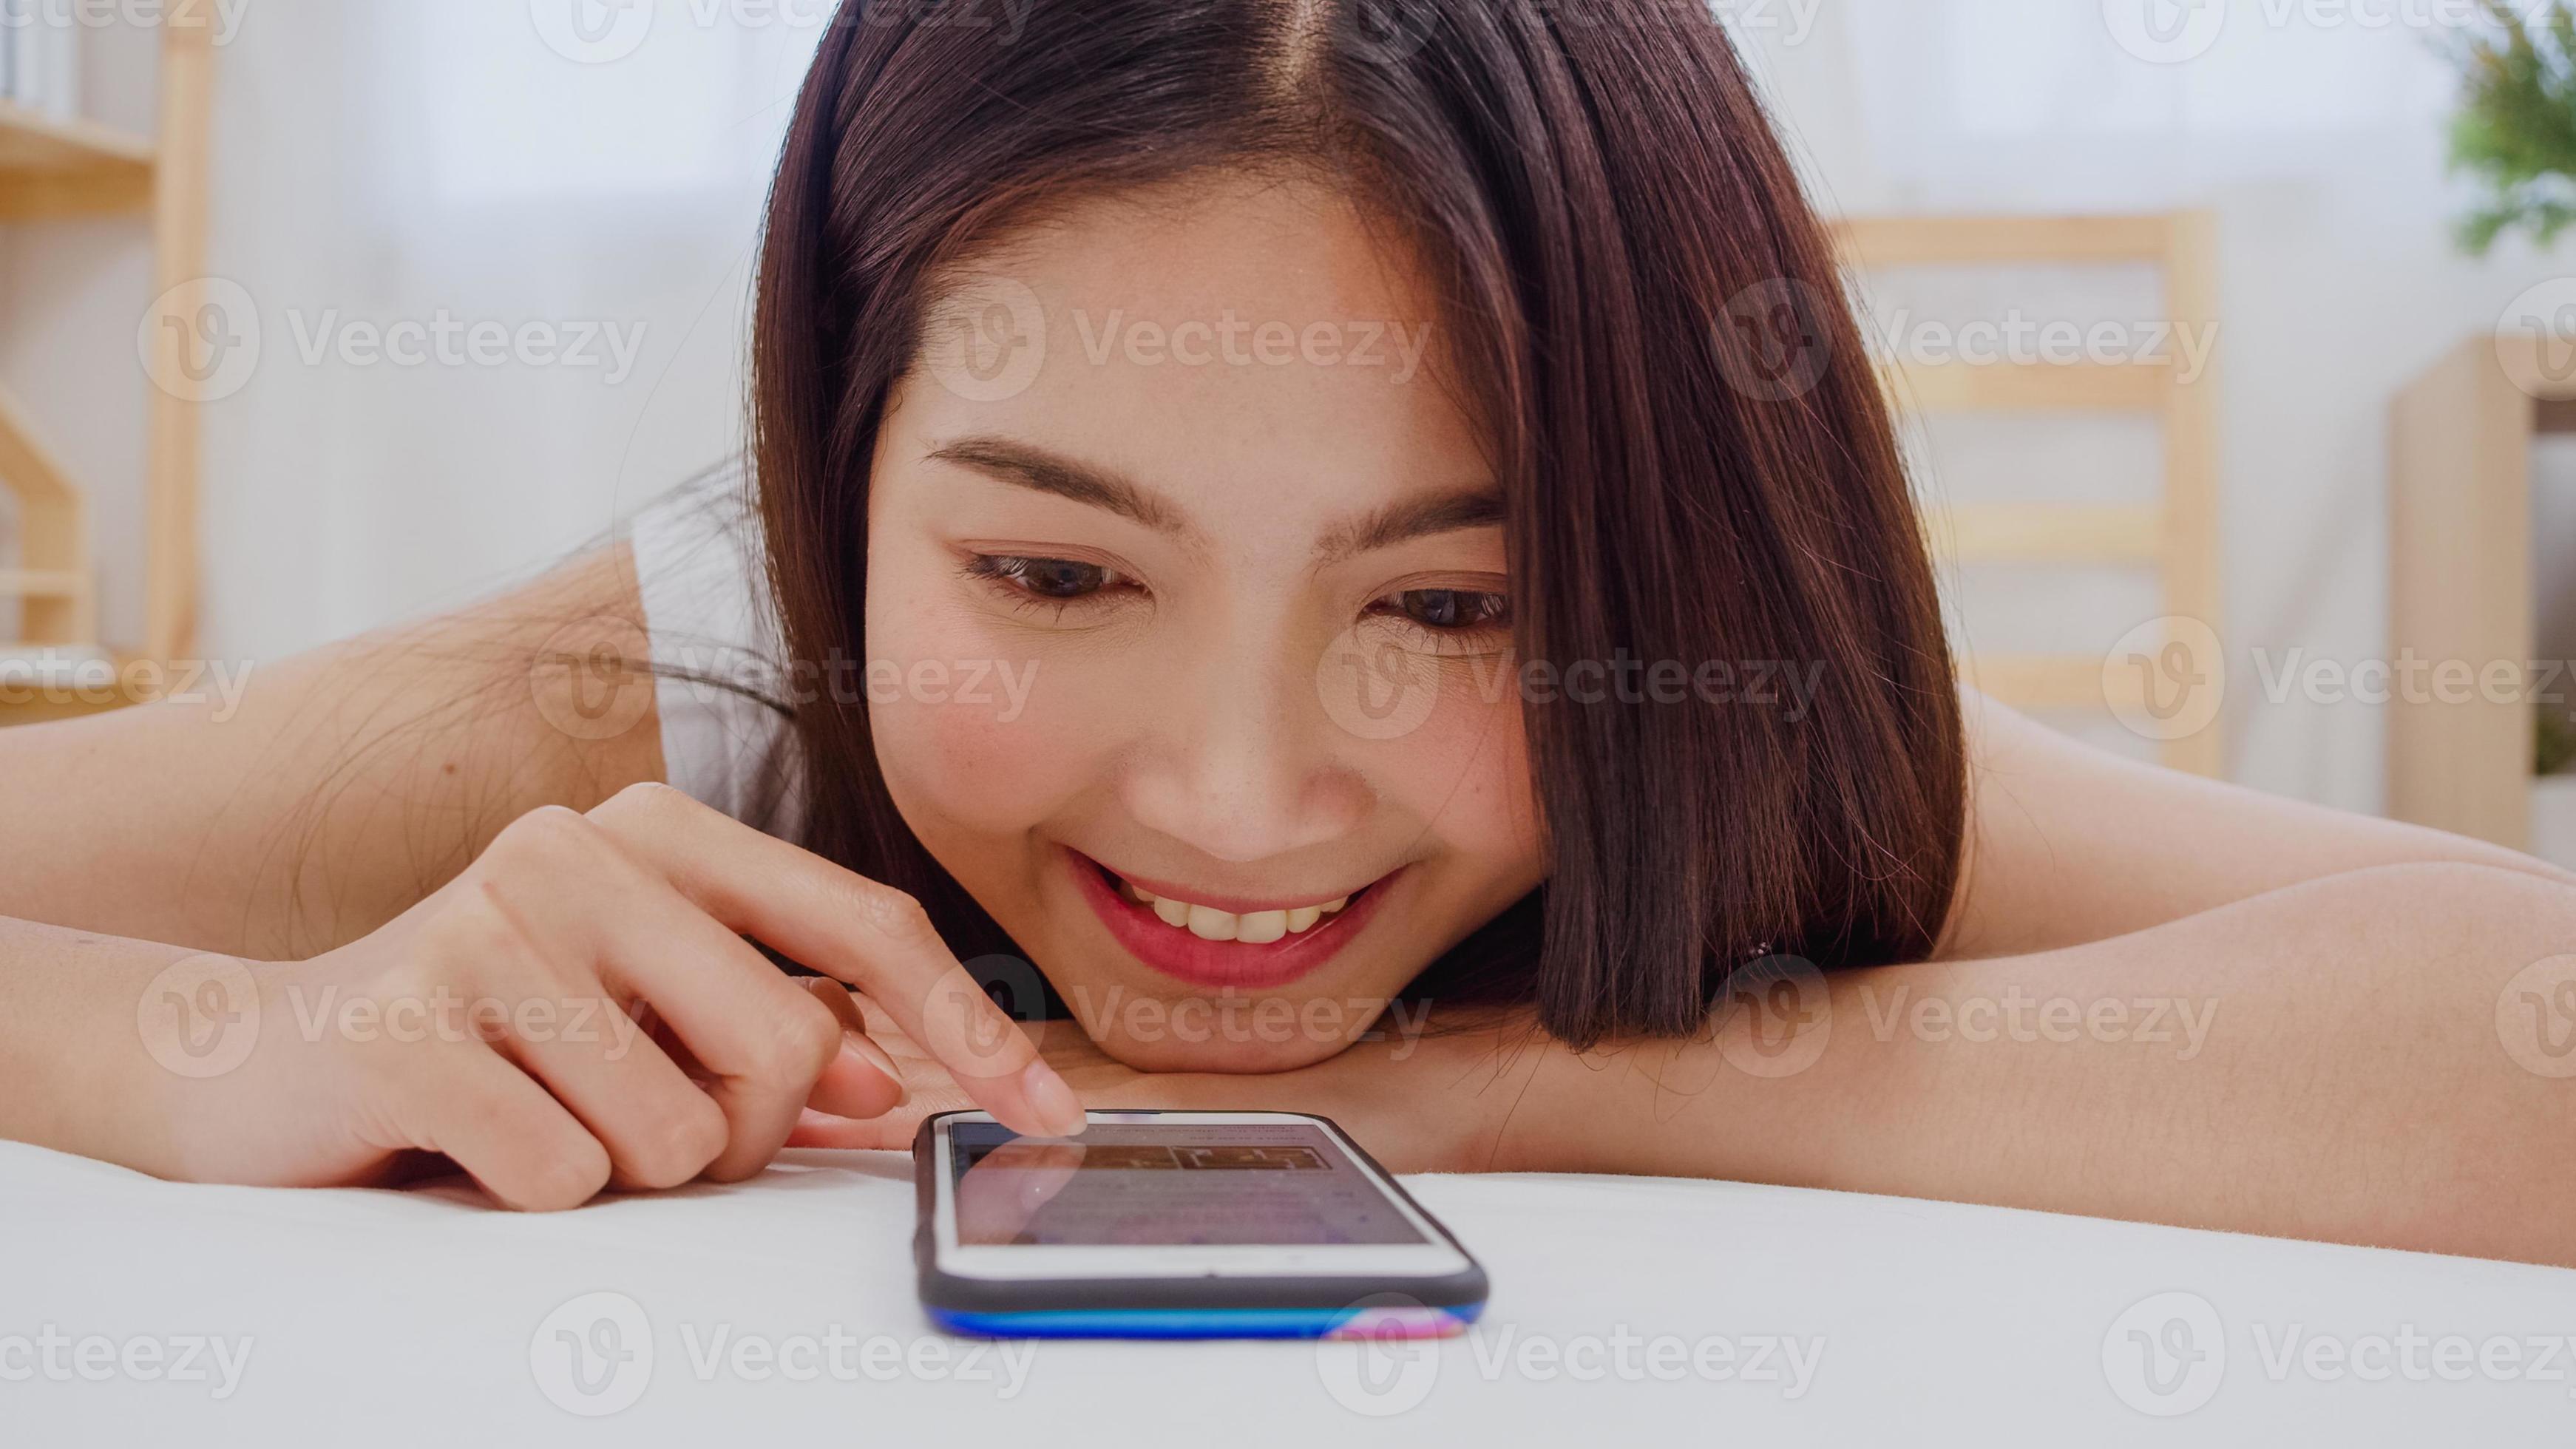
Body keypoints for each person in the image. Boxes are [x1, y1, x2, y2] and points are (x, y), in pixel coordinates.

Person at [5, 0, 2572, 1265]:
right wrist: (236, 1045)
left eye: (1453, 601)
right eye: (1046, 573)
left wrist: (1502, 1089)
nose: (1238, 801)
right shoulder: (687, 676)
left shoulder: (1726, 694)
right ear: (839, 464)